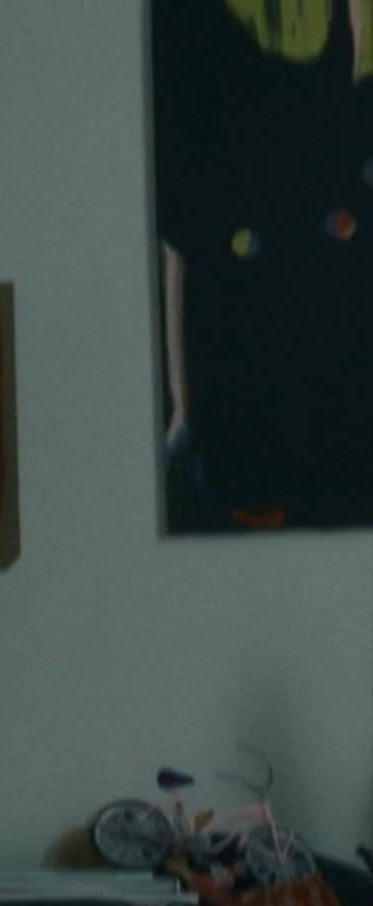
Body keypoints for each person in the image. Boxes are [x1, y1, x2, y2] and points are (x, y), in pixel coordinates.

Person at [155, 0, 373, 530]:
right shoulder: (191, 33)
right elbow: (183, 235)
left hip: (326, 359)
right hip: (251, 368)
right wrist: (184, 409)